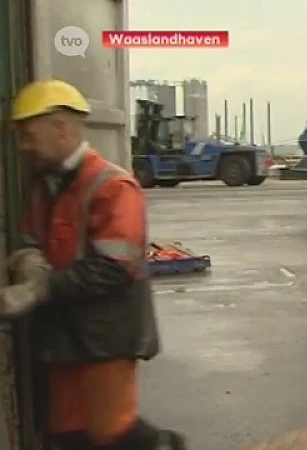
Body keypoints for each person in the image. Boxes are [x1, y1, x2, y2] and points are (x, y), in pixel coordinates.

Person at [0, 79, 185, 449]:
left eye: (29, 135)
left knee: (114, 433)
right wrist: (29, 260)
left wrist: (38, 289)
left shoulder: (112, 186)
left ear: (60, 127)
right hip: (65, 336)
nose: (24, 147)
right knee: (67, 437)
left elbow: (115, 268)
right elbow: (32, 239)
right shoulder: (44, 186)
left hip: (106, 338)